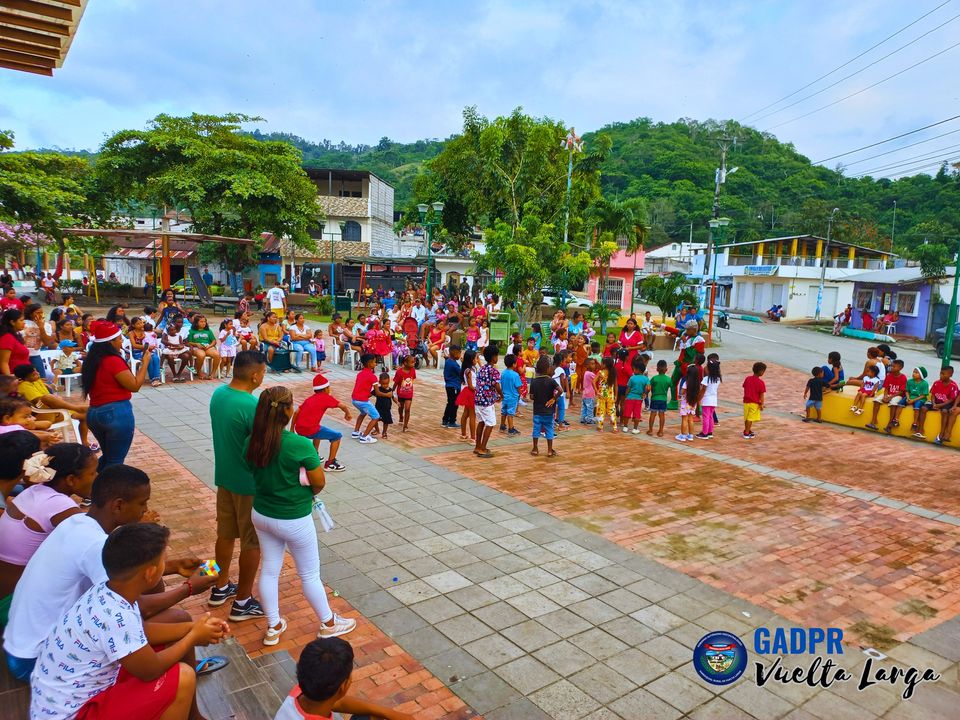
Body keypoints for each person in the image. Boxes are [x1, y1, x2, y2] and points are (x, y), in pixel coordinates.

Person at [3, 464, 218, 682]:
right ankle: (180, 675)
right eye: (142, 503)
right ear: (118, 505)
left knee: (173, 617)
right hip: (35, 659)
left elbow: (126, 579)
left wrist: (174, 567)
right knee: (175, 621)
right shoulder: (96, 545)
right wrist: (189, 588)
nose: (145, 510)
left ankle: (182, 666)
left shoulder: (77, 523)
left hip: (20, 645)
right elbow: (137, 606)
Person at [28, 522, 228, 720]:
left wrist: (193, 628)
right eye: (163, 560)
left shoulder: (106, 591)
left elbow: (138, 632)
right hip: (76, 713)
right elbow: (150, 670)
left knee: (176, 625)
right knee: (183, 677)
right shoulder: (117, 616)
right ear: (150, 573)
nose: (166, 564)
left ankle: (192, 716)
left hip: (61, 699)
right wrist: (193, 637)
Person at [245, 386, 356, 646]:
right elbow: (319, 482)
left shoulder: (252, 441)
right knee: (309, 574)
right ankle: (328, 623)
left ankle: (273, 625)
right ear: (287, 411)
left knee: (269, 570)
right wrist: (305, 490)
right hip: (293, 517)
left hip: (261, 513)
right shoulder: (299, 444)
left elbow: (251, 469)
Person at [0, 443, 98, 617]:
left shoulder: (33, 491)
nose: (97, 477)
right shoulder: (60, 506)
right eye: (92, 473)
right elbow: (98, 543)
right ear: (71, 480)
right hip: (14, 603)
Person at [209, 350, 268, 620]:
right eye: (263, 373)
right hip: (248, 483)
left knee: (224, 534)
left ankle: (218, 586)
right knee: (251, 541)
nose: (263, 377)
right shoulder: (252, 406)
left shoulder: (218, 394)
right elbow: (265, 446)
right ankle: (243, 601)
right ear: (255, 375)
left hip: (224, 477)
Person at [276, 637, 414, 720]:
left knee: (370, 716)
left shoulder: (300, 692)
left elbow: (338, 703)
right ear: (344, 686)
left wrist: (387, 713)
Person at [82, 320, 154, 469]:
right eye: (119, 339)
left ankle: (91, 481)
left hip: (94, 412)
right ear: (110, 342)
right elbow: (134, 386)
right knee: (115, 462)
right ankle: (106, 484)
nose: (122, 342)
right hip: (115, 413)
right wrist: (145, 362)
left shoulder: (92, 359)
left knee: (109, 456)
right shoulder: (112, 360)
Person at [292, 373, 351, 472]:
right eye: (329, 387)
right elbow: (343, 406)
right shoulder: (326, 397)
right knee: (337, 436)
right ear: (325, 389)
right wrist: (347, 414)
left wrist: (291, 429)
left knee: (319, 429)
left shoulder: (309, 399)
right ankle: (330, 464)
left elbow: (296, 412)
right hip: (311, 430)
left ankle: (314, 455)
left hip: (299, 429)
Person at [660, 319, 706, 406]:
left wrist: (685, 343)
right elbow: (675, 331)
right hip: (680, 364)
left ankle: (695, 404)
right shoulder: (685, 333)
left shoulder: (699, 340)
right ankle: (674, 401)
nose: (686, 330)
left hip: (690, 366)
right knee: (673, 382)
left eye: (688, 329)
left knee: (693, 385)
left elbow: (692, 355)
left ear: (694, 330)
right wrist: (661, 326)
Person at [915, 366, 959, 443]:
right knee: (923, 408)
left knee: (945, 411)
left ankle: (941, 433)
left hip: (945, 403)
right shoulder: (936, 383)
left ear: (950, 375)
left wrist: (940, 405)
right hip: (935, 402)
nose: (941, 375)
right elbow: (933, 395)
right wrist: (934, 403)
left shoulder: (953, 385)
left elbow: (951, 399)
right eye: (940, 373)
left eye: (943, 374)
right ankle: (920, 430)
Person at [528, 355, 561, 457]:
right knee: (549, 429)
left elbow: (531, 397)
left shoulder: (534, 381)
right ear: (548, 369)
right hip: (549, 411)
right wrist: (553, 399)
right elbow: (560, 390)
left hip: (537, 411)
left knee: (536, 429)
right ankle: (550, 450)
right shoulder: (550, 380)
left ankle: (535, 448)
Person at [473, 345, 502, 458]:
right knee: (490, 423)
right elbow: (496, 384)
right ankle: (482, 448)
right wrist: (501, 395)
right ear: (493, 357)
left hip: (478, 400)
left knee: (481, 422)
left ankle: (477, 446)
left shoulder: (482, 368)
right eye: (497, 356)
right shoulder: (494, 371)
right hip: (486, 401)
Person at [866, 358, 907, 432]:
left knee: (893, 403)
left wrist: (890, 397)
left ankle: (889, 424)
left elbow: (901, 391)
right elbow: (886, 388)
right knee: (876, 400)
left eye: (894, 366)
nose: (892, 368)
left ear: (900, 368)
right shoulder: (889, 375)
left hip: (897, 395)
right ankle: (873, 421)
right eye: (891, 366)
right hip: (888, 394)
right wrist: (885, 396)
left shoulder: (903, 377)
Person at [351, 354, 381, 443]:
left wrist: (369, 394)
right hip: (362, 401)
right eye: (374, 362)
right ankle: (364, 436)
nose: (376, 364)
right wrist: (387, 395)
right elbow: (377, 392)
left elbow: (362, 387)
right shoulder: (373, 376)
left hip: (354, 399)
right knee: (376, 416)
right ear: (369, 363)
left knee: (363, 413)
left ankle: (356, 432)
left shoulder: (360, 374)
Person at [186, 313, 220, 379]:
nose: (204, 323)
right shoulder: (191, 331)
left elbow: (214, 341)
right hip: (197, 347)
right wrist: (196, 344)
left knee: (217, 355)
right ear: (196, 323)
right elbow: (189, 342)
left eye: (204, 321)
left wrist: (209, 346)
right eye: (201, 322)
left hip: (207, 347)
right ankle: (199, 371)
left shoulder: (208, 331)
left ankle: (212, 373)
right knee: (201, 355)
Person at [696, 354, 722, 438]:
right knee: (710, 416)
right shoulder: (718, 379)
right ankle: (710, 432)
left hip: (706, 400)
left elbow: (703, 390)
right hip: (714, 400)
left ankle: (704, 433)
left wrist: (698, 399)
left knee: (706, 417)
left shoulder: (706, 379)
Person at [676, 364, 702, 442]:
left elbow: (682, 392)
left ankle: (683, 435)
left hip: (685, 403)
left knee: (684, 419)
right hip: (693, 403)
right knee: (690, 419)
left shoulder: (686, 383)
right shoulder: (698, 384)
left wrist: (681, 393)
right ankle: (690, 435)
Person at [0, 308, 30, 375]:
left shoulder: (16, 335)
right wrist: (10, 379)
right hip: (14, 377)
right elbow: (3, 363)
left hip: (23, 375)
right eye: (21, 320)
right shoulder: (7, 338)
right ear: (12, 322)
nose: (24, 322)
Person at [456, 349, 478, 442]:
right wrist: (478, 390)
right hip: (471, 392)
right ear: (472, 360)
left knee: (466, 414)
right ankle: (473, 437)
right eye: (476, 358)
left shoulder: (471, 368)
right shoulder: (468, 371)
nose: (477, 360)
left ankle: (463, 434)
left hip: (469, 392)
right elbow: (470, 386)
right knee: (472, 415)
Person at [623, 360, 649, 435]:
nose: (633, 371)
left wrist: (626, 397)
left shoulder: (632, 378)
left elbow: (628, 388)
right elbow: (648, 388)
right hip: (639, 399)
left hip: (630, 398)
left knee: (627, 413)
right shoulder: (646, 379)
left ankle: (625, 427)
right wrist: (645, 393)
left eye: (634, 369)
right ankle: (635, 429)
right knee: (637, 414)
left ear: (638, 370)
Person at [499, 354, 523, 435]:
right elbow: (518, 386)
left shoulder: (503, 373)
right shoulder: (515, 375)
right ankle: (511, 428)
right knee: (510, 413)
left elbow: (501, 384)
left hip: (504, 396)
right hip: (513, 397)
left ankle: (502, 426)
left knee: (503, 411)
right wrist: (520, 394)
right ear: (513, 364)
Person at [392, 354, 416, 432]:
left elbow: (412, 379)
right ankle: (401, 416)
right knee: (401, 407)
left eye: (414, 362)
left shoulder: (413, 370)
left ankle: (405, 425)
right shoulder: (399, 372)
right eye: (412, 362)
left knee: (407, 409)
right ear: (405, 363)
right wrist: (392, 390)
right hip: (401, 394)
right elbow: (396, 382)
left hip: (409, 394)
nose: (414, 364)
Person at [742, 361, 766, 439]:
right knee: (750, 418)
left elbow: (744, 387)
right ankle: (746, 433)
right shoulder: (761, 382)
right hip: (754, 403)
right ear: (761, 371)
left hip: (746, 401)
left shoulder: (747, 379)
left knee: (747, 417)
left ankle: (747, 430)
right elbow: (761, 395)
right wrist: (761, 404)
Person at [595, 356, 618, 432]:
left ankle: (600, 427)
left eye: (602, 363)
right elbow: (616, 385)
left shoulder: (600, 372)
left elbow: (593, 382)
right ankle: (615, 427)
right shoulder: (613, 373)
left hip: (602, 394)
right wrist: (616, 396)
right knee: (612, 410)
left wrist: (596, 391)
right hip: (610, 394)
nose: (601, 364)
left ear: (605, 364)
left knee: (601, 409)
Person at [442, 345, 462, 428]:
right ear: (455, 353)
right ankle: (452, 421)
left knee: (450, 403)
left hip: (449, 385)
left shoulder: (448, 361)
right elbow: (461, 373)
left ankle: (445, 420)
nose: (460, 355)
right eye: (460, 353)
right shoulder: (454, 364)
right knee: (454, 404)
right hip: (454, 386)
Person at [372, 372, 395, 439]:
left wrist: (397, 402)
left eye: (387, 384)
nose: (385, 385)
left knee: (386, 421)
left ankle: (384, 432)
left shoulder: (390, 390)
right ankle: (377, 429)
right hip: (378, 408)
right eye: (383, 384)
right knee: (375, 419)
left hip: (387, 409)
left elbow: (393, 397)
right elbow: (370, 394)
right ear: (379, 382)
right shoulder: (377, 389)